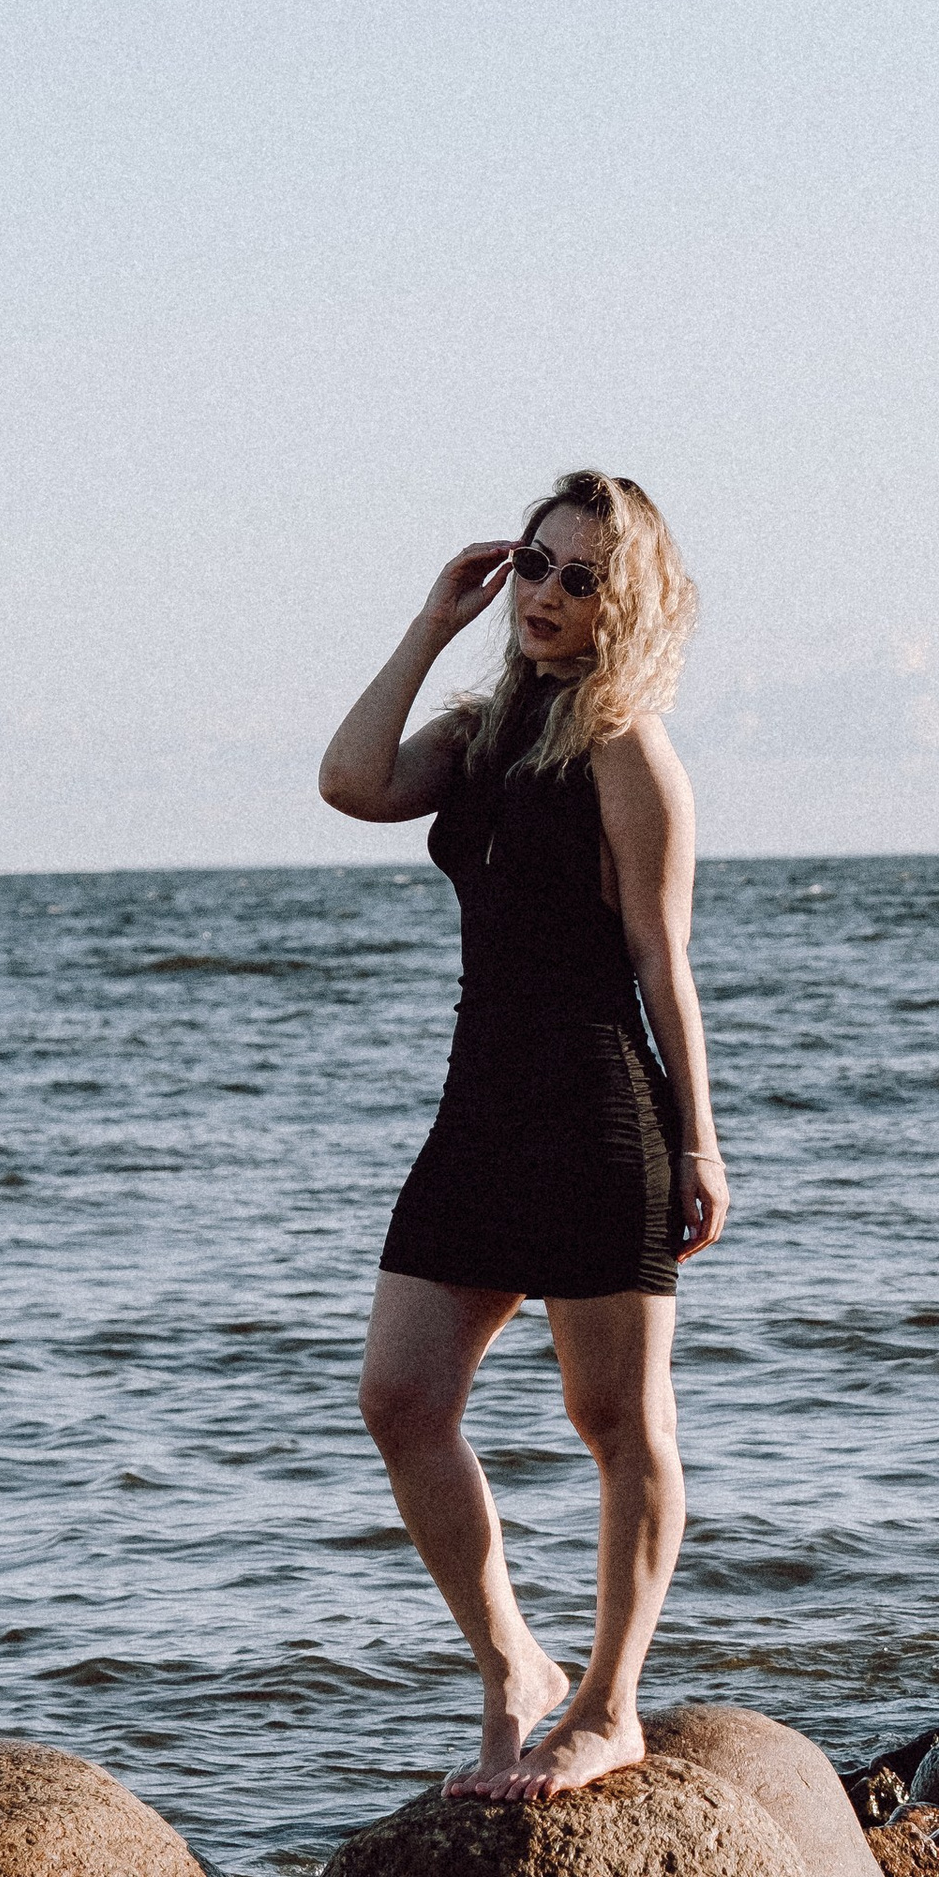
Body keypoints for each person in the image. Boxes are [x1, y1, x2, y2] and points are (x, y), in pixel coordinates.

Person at [318, 470, 728, 1797]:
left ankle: (612, 1704)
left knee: (617, 1417)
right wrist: (431, 625)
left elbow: (665, 967)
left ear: (631, 598)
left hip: (602, 1108)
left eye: (582, 576)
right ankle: (515, 1668)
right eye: (538, 567)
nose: (548, 596)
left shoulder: (629, 748)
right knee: (402, 1401)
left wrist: (705, 1146)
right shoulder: (481, 731)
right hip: (481, 1108)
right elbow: (351, 782)